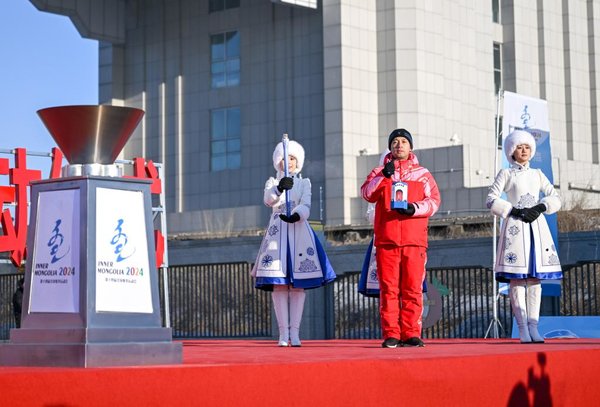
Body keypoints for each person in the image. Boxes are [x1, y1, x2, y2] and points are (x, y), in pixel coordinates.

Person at [361, 129, 441, 348]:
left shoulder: (423, 174)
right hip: (387, 239)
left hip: (414, 240)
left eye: (404, 141)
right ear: (390, 147)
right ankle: (391, 333)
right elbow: (367, 194)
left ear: (410, 147)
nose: (399, 145)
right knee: (389, 289)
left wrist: (413, 209)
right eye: (395, 142)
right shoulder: (380, 171)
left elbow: (434, 202)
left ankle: (411, 333)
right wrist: (383, 176)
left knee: (413, 288)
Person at [252, 139, 336, 347]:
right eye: (284, 158)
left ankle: (295, 333)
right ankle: (282, 334)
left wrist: (297, 215)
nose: (287, 162)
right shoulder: (272, 181)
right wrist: (279, 189)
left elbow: (306, 205)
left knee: (298, 286)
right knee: (280, 286)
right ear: (277, 161)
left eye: (292, 158)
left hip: (299, 231)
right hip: (277, 233)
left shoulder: (304, 183)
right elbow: (268, 200)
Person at [487, 129, 562, 344]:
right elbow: (491, 199)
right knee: (517, 279)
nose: (524, 151)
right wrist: (514, 210)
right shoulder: (506, 174)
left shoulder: (537, 174)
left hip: (537, 229)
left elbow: (555, 196)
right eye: (520, 147)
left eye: (527, 147)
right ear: (512, 151)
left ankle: (534, 326)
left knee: (535, 280)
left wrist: (541, 206)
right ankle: (522, 328)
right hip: (516, 229)